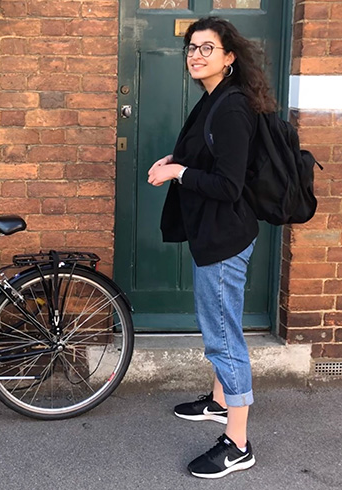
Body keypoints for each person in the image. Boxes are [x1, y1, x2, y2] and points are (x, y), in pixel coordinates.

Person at [147, 16, 276, 479]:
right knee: (222, 327)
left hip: (224, 239)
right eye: (191, 48)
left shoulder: (232, 107)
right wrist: (175, 160)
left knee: (223, 339)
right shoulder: (214, 99)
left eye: (207, 48)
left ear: (229, 57)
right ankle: (219, 403)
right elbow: (208, 157)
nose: (196, 55)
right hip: (215, 234)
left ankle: (238, 444)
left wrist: (177, 174)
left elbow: (227, 184)